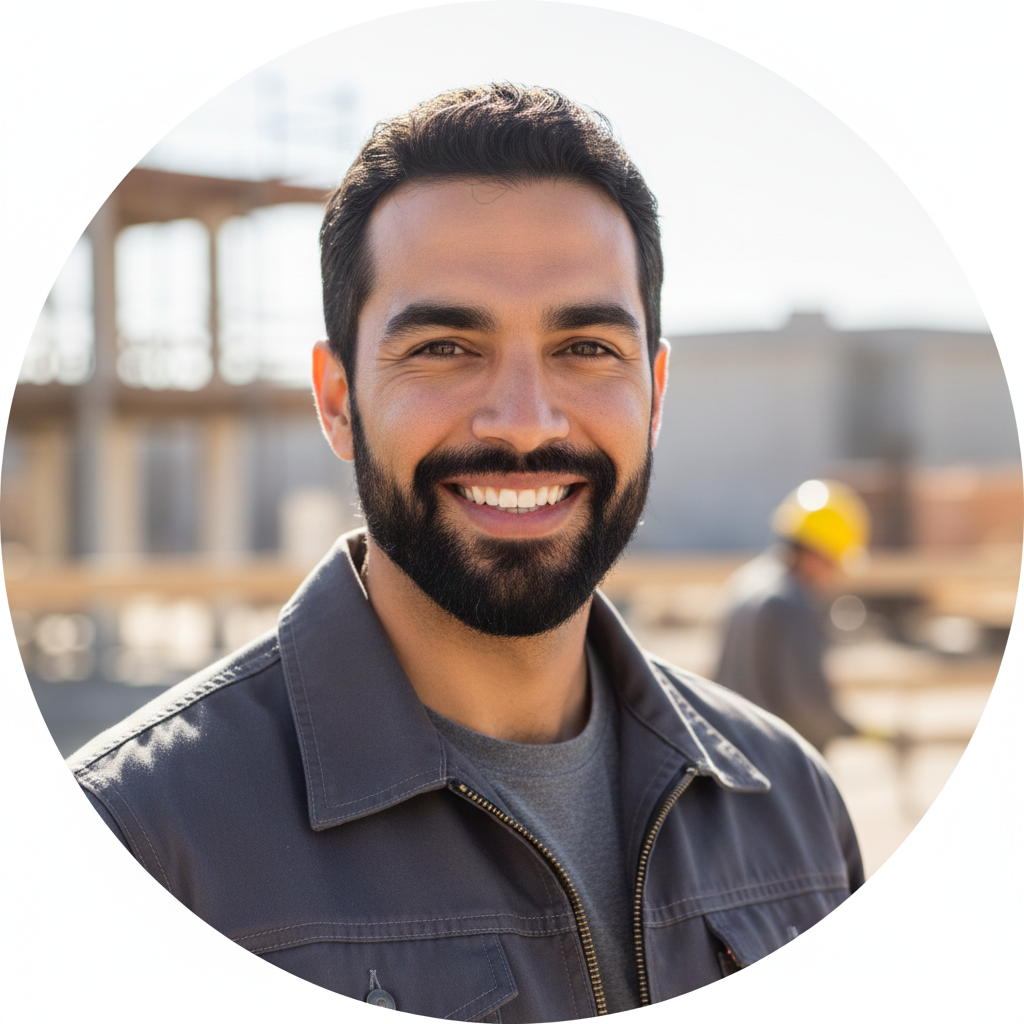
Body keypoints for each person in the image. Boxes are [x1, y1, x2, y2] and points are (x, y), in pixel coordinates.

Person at [70, 85, 863, 1020]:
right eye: (446, 347)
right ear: (337, 400)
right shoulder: (140, 844)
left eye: (585, 347)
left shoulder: (793, 809)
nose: (524, 423)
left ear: (654, 394)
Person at [715, 479, 869, 753]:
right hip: (777, 759)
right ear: (817, 553)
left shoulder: (746, 582)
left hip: (735, 747)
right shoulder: (791, 603)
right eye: (833, 562)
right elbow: (805, 705)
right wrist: (847, 728)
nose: (833, 575)